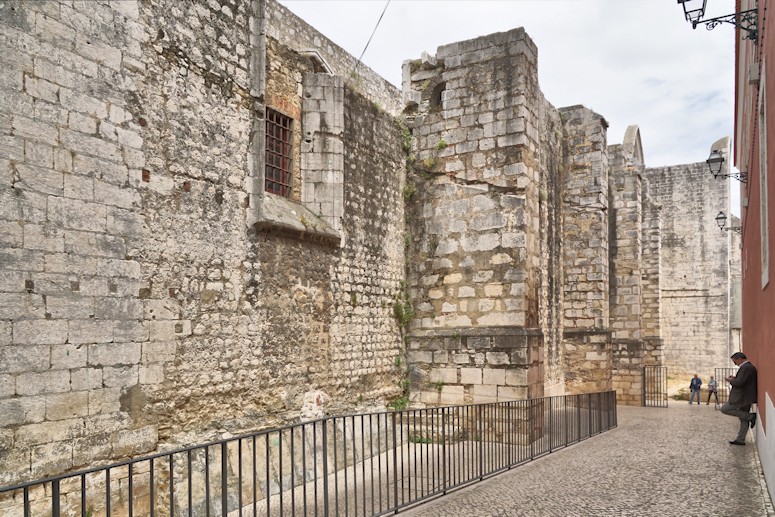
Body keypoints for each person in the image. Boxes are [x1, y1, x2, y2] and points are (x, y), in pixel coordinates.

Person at [721, 352, 758, 445]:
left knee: (725, 409)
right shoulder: (747, 367)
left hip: (742, 397)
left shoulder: (746, 367)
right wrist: (734, 378)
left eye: (735, 361)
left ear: (740, 359)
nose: (735, 364)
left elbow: (739, 383)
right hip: (745, 396)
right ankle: (740, 439)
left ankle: (751, 416)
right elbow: (742, 380)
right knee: (743, 418)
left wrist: (730, 380)